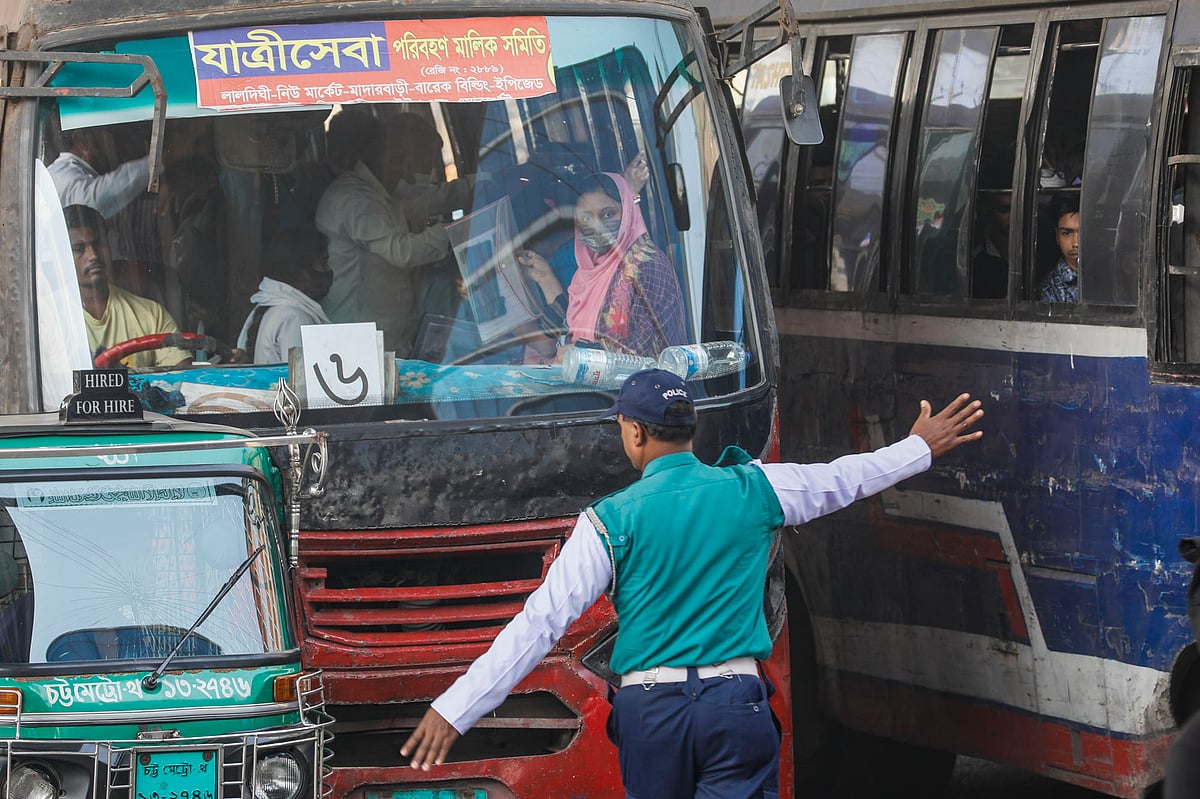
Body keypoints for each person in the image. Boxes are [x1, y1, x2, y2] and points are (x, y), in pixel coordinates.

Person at [401, 368, 984, 797]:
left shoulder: (609, 520)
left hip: (652, 716)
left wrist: (456, 708)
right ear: (692, 428)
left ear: (632, 433)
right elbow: (841, 479)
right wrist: (918, 447)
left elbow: (539, 624)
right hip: (736, 709)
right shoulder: (755, 489)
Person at [315, 109, 470, 356]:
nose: (420, 175)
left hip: (385, 337)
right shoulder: (355, 200)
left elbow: (433, 198)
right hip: (356, 342)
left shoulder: (383, 193)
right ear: (392, 157)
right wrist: (459, 230)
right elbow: (401, 251)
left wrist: (484, 182)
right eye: (420, 165)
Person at [517, 171, 685, 359]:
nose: (597, 225)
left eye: (608, 214)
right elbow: (567, 332)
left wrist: (581, 357)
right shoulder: (588, 270)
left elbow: (648, 353)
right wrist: (545, 278)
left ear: (628, 211)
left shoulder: (647, 267)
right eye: (587, 218)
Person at [65, 204, 193, 369]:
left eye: (99, 244)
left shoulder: (152, 315)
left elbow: (183, 377)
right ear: (62, 256)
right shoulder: (46, 320)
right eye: (78, 249)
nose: (93, 255)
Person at [236, 229, 333, 364]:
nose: (328, 270)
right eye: (323, 263)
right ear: (300, 272)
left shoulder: (275, 308)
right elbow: (300, 379)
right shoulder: (294, 318)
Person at [48, 127, 150, 220]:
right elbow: (101, 197)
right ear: (81, 140)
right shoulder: (65, 176)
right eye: (103, 135)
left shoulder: (63, 170)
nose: (111, 145)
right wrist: (156, 162)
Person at [1036, 197, 1080, 303]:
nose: (1076, 243)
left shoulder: (1114, 278)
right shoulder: (1048, 289)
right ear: (1057, 237)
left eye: (1083, 232)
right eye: (1067, 233)